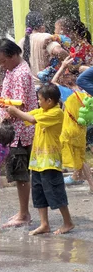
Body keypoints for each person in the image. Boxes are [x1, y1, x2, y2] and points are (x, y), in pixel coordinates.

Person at [7, 84, 75, 235]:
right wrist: (10, 108)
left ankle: (68, 222)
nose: (38, 102)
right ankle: (44, 224)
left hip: (50, 162)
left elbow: (31, 119)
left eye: (40, 99)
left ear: (49, 101)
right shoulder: (43, 110)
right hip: (38, 162)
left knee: (55, 192)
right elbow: (27, 115)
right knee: (38, 193)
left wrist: (15, 111)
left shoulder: (56, 113)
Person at [0, 38, 38, 228]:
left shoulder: (20, 74)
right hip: (18, 130)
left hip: (19, 131)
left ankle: (24, 213)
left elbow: (17, 105)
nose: (2, 66)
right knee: (20, 174)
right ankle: (23, 211)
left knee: (20, 175)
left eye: (3, 61)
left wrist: (3, 106)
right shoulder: (14, 70)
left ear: (14, 55)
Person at [51, 57, 93, 190]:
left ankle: (75, 177)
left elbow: (52, 83)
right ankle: (80, 178)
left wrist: (62, 66)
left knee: (78, 158)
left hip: (71, 130)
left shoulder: (68, 93)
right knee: (83, 157)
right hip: (84, 128)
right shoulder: (85, 94)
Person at [18, 11, 68, 83]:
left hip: (30, 87)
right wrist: (70, 61)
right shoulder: (45, 37)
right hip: (46, 88)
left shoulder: (21, 41)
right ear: (42, 25)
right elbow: (59, 51)